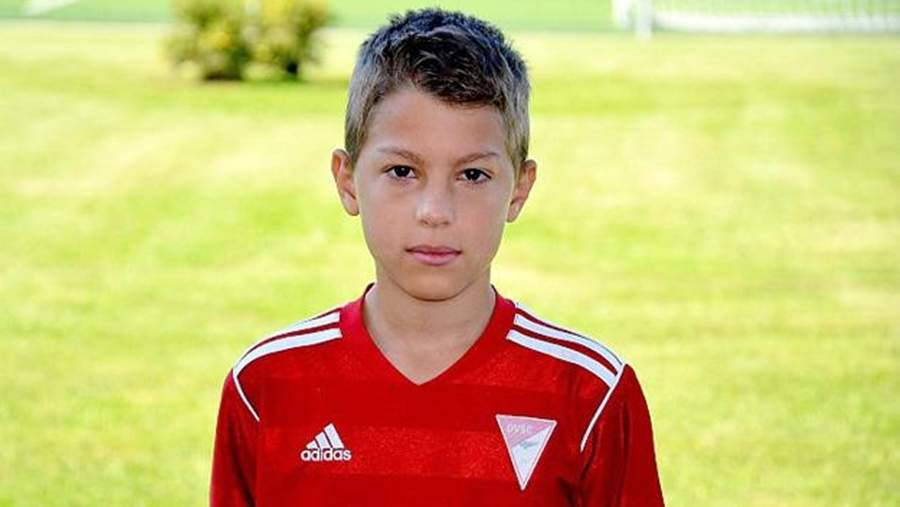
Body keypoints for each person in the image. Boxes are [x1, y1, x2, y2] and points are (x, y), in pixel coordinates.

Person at [210, 7, 664, 506]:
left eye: (472, 175)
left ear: (518, 189)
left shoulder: (589, 394)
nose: (435, 211)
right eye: (403, 171)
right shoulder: (266, 386)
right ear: (348, 180)